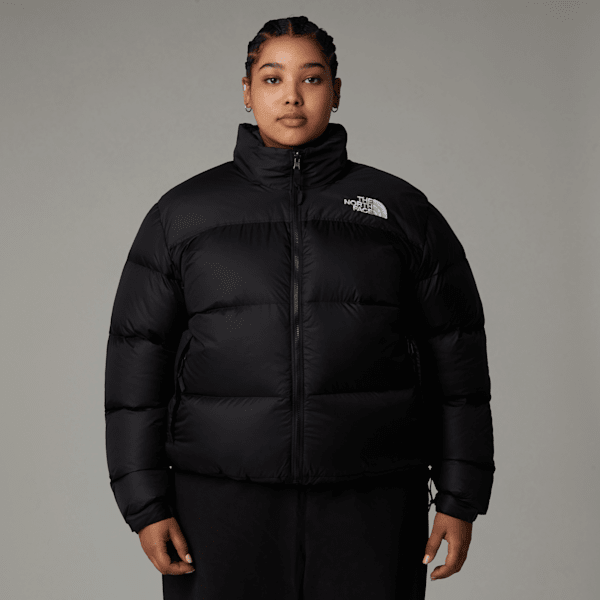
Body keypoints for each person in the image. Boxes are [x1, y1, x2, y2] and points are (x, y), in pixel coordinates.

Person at [104, 15, 495, 600]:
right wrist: (145, 503)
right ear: (247, 91)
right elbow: (137, 364)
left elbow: (457, 360)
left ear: (336, 91)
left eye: (311, 78)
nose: (291, 96)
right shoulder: (182, 215)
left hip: (373, 500)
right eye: (272, 78)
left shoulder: (401, 211)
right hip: (219, 504)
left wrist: (460, 499)